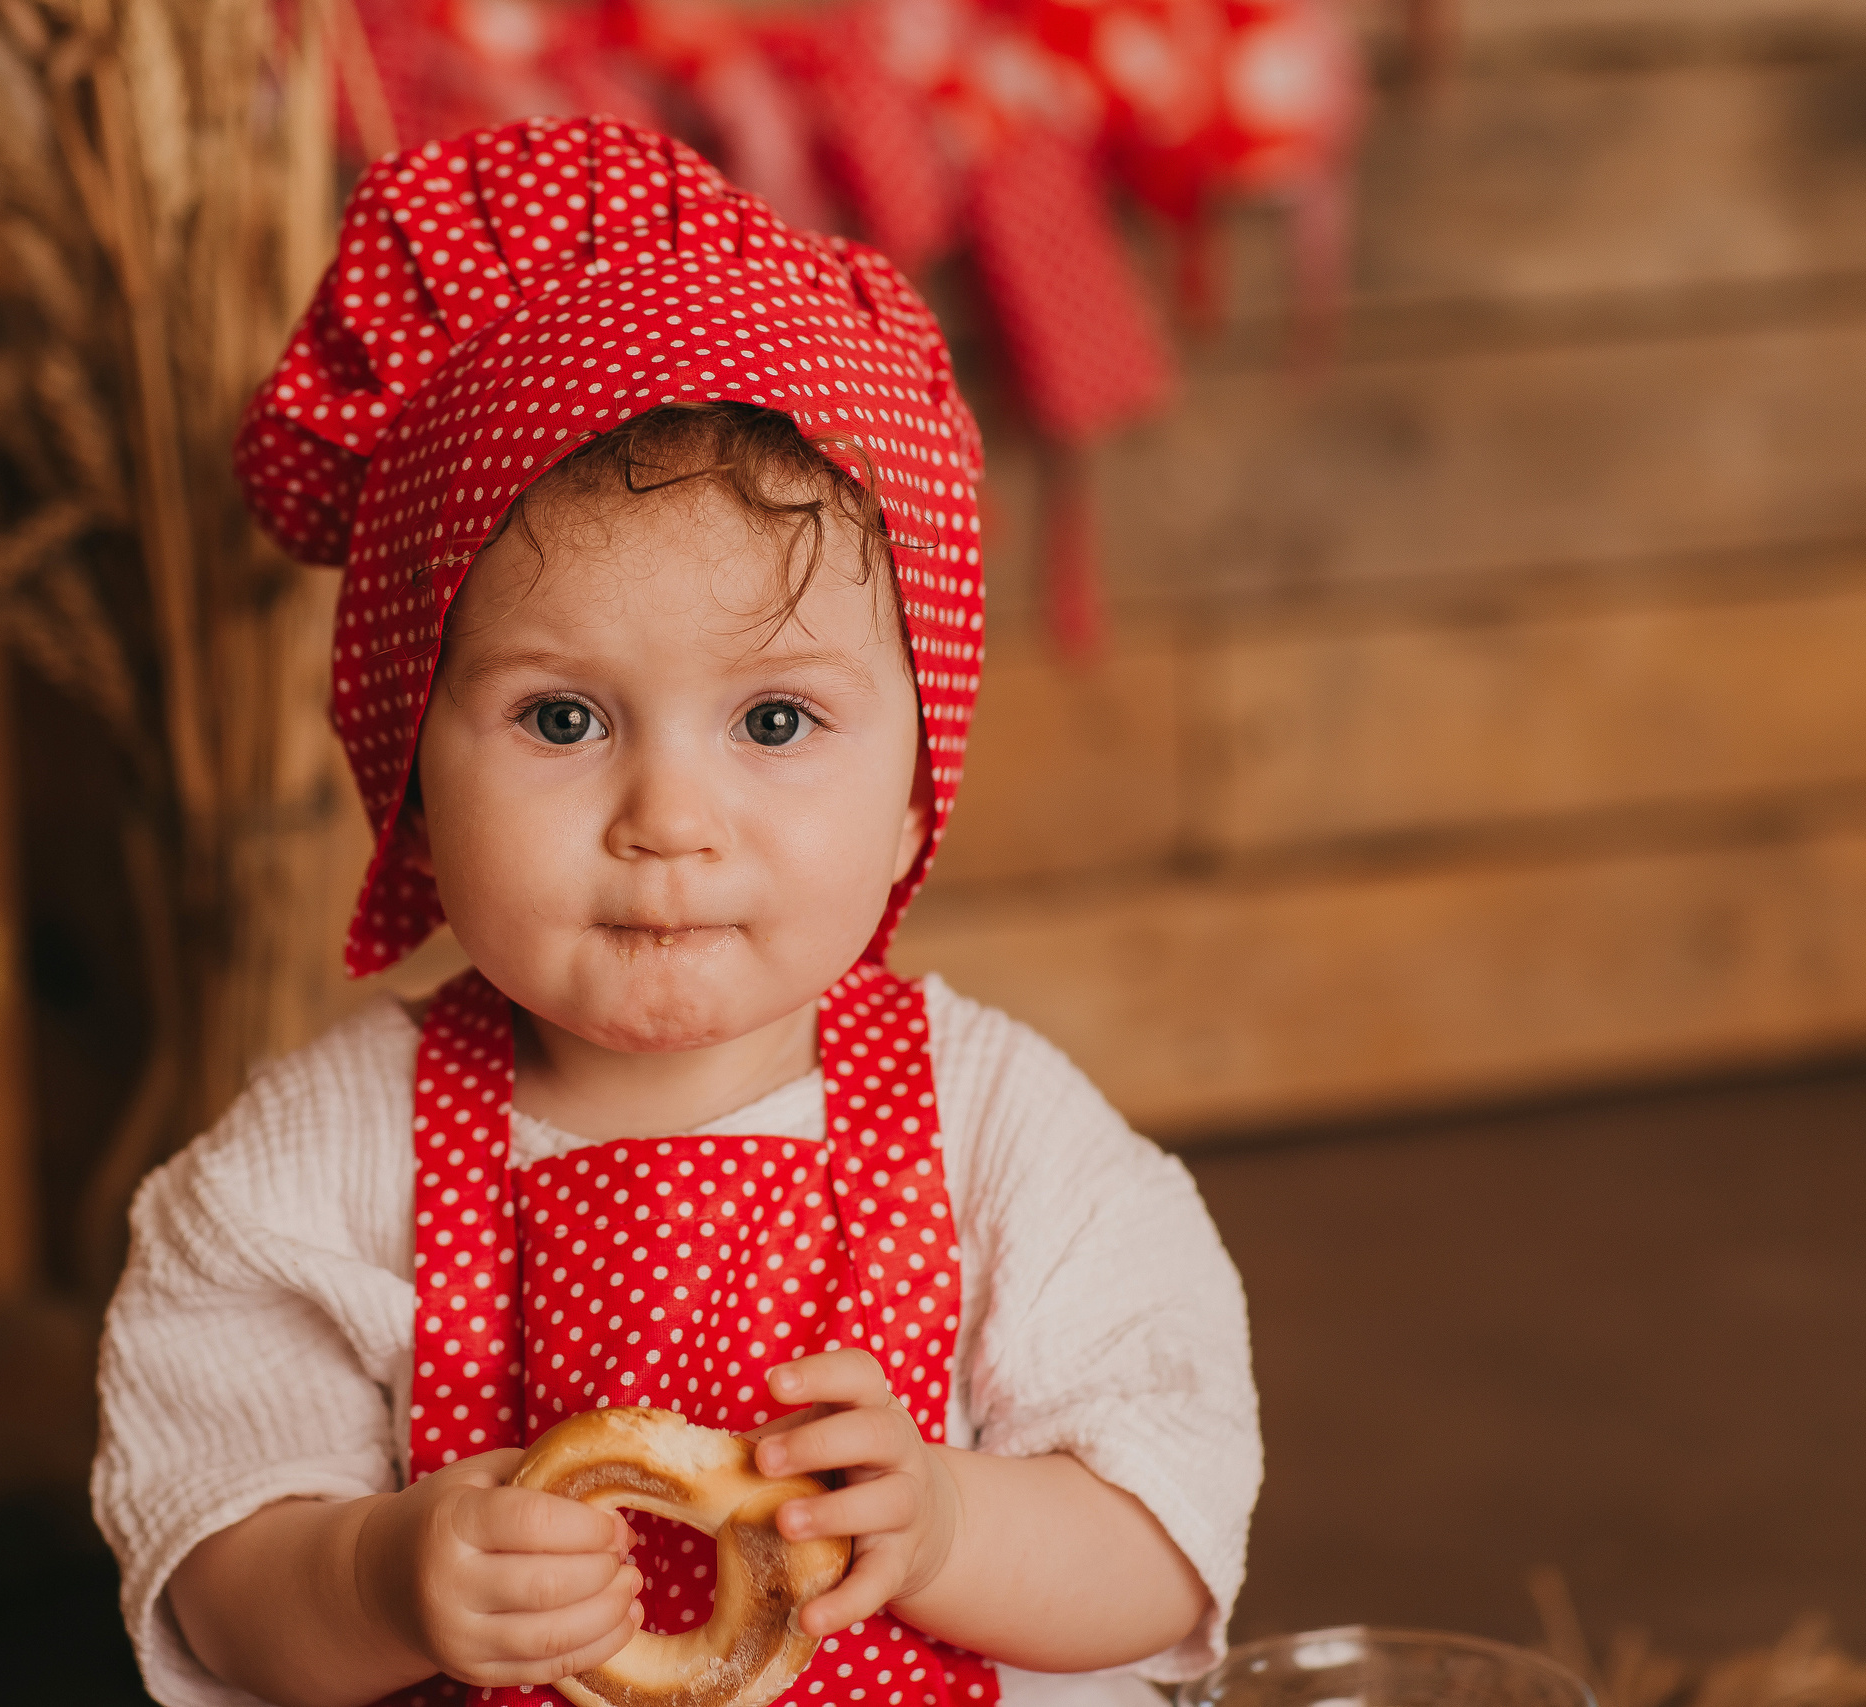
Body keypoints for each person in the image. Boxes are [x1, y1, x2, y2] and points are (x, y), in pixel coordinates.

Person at [93, 115, 1259, 1707]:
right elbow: (209, 1560)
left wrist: (950, 1521)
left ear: (922, 787)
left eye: (775, 723)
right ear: (410, 773)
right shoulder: (321, 1163)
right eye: (563, 721)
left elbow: (1164, 1539)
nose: (669, 822)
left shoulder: (1001, 1136)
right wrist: (376, 1575)